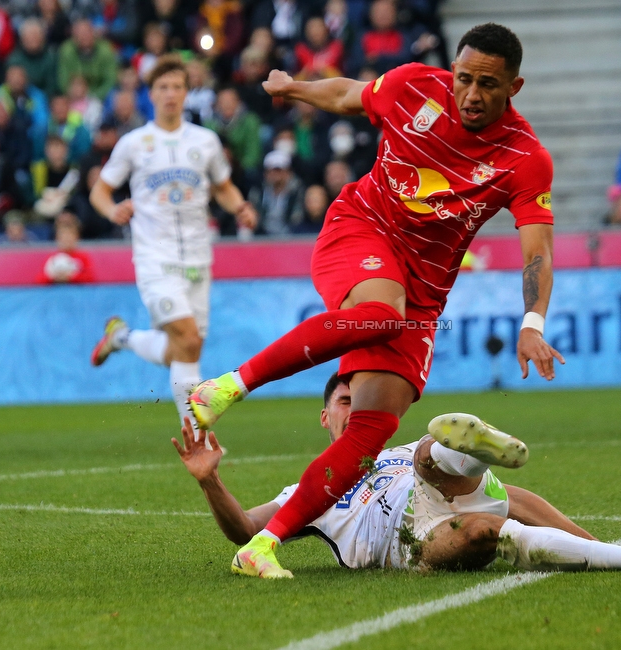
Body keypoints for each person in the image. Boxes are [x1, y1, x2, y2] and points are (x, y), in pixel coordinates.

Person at [187, 23, 562, 579]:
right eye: (464, 79)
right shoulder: (412, 85)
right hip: (360, 228)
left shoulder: (524, 157)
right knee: (381, 312)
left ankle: (262, 546)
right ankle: (226, 386)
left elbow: (538, 251)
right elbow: (345, 93)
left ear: (515, 86)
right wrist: (293, 89)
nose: (472, 94)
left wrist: (533, 322)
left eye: (488, 84)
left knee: (372, 427)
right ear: (452, 72)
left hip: (425, 292)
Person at [174, 375, 621, 575]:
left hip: (434, 479)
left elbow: (521, 495)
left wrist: (595, 546)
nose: (353, 407)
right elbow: (249, 530)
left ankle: (468, 450)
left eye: (362, 400)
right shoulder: (305, 493)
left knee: (426, 451)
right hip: (410, 544)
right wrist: (209, 481)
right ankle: (470, 451)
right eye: (344, 401)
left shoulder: (397, 447)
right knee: (486, 532)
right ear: (325, 416)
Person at [88, 54, 258, 432]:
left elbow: (223, 187)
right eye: (162, 87)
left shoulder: (205, 141)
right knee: (187, 336)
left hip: (199, 256)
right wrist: (111, 210)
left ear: (186, 92)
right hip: (154, 257)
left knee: (186, 347)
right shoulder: (135, 143)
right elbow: (100, 190)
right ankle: (196, 434)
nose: (170, 94)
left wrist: (241, 207)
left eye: (177, 87)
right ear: (151, 94)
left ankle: (123, 337)